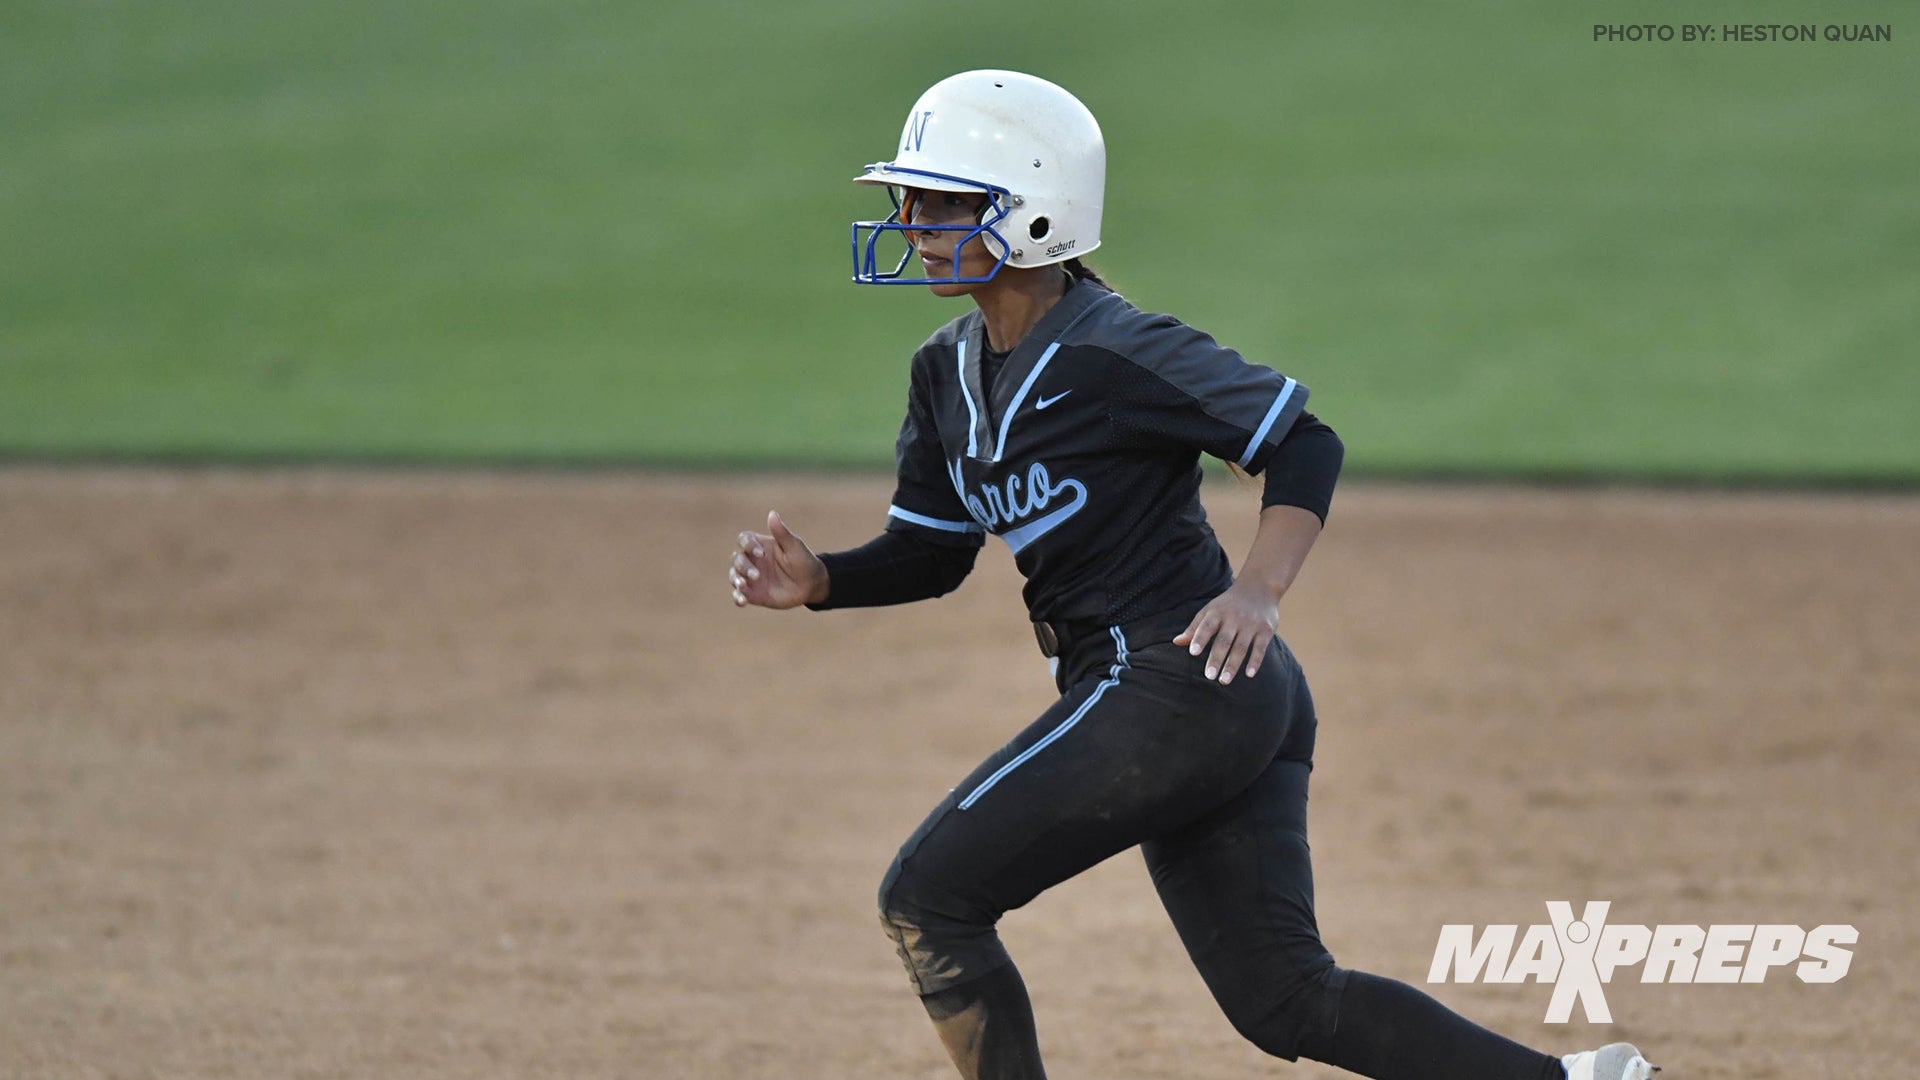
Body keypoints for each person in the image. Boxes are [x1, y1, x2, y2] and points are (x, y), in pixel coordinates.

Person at [727, 69, 1659, 1080]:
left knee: (929, 899)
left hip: (1176, 683)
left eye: (945, 202)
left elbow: (1302, 440)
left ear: (1036, 212)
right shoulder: (944, 371)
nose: (911, 224)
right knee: (1285, 998)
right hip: (1179, 702)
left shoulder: (1119, 350)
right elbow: (932, 553)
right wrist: (822, 581)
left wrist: (1256, 590)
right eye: (908, 202)